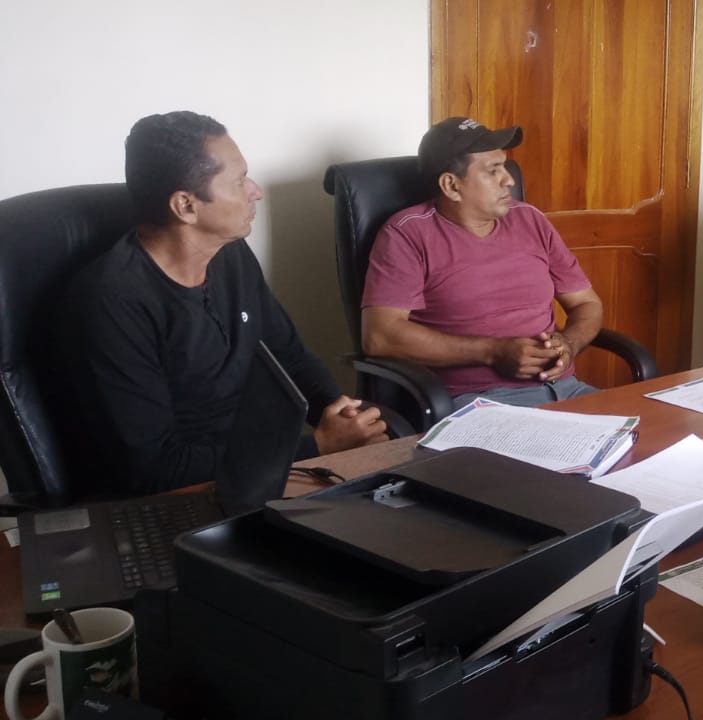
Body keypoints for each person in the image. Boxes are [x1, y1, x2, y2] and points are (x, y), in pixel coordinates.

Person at [57, 111, 387, 498]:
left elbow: (289, 356)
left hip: (256, 472)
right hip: (173, 499)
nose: (255, 191)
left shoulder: (229, 253)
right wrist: (318, 445)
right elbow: (154, 467)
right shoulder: (112, 300)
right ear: (186, 206)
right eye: (239, 180)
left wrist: (341, 413)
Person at [362, 117, 605, 409]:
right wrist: (493, 351)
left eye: (505, 166)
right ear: (451, 186)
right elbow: (381, 336)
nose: (509, 180)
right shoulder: (406, 234)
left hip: (567, 389)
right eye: (493, 171)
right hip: (481, 402)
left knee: (647, 428)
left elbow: (586, 303)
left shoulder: (530, 219)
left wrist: (569, 343)